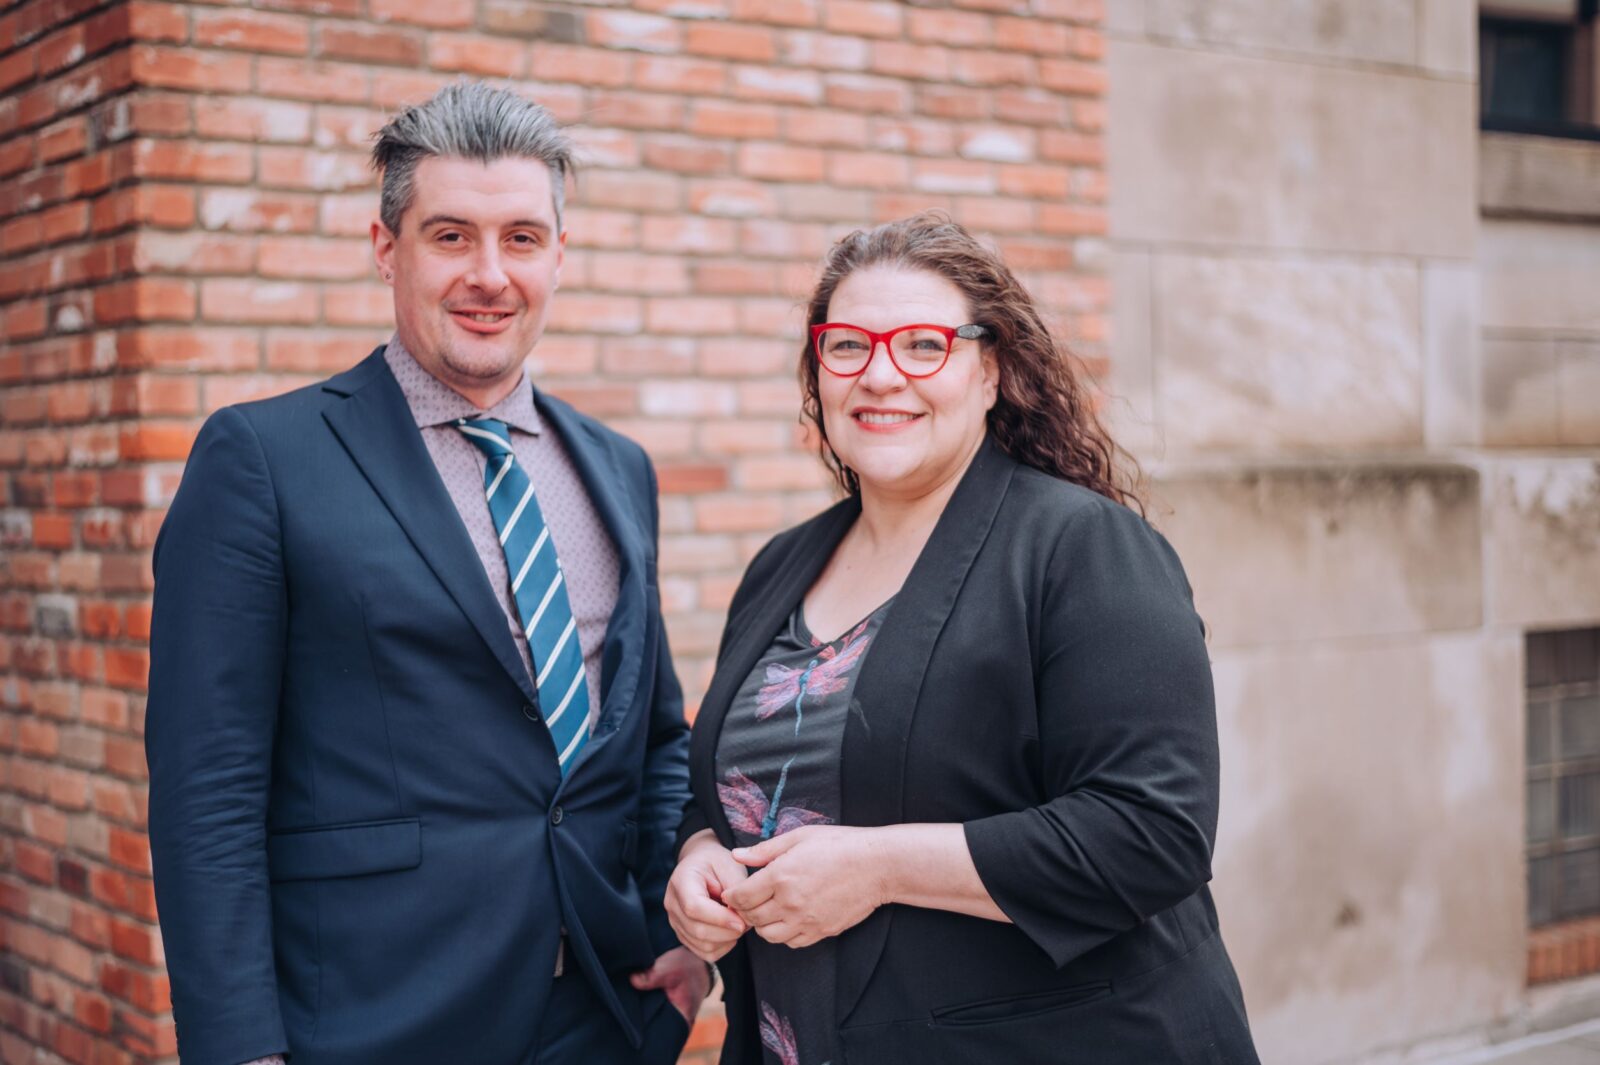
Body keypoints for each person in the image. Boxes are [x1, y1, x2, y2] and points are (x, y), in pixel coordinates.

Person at [146, 83, 706, 1065]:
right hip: (371, 1021)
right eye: (451, 236)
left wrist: (678, 941)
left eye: (522, 239)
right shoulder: (262, 460)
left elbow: (655, 737)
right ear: (385, 248)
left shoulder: (617, 469)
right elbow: (209, 789)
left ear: (559, 258)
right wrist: (239, 1045)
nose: (489, 274)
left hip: (608, 1018)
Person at [665, 214, 1261, 1064]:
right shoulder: (780, 567)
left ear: (991, 372)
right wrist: (698, 859)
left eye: (922, 345)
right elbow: (731, 784)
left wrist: (880, 866)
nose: (879, 375)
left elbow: (1151, 832)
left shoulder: (1081, 548)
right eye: (847, 347)